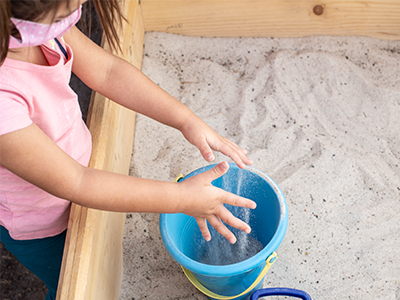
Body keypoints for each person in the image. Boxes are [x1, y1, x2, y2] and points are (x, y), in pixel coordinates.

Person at [0, 0, 255, 299]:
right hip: (44, 227)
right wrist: (184, 198)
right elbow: (77, 182)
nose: (75, 16)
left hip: (83, 180)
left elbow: (107, 71)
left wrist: (185, 119)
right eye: (67, 13)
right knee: (70, 287)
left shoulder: (39, 27)